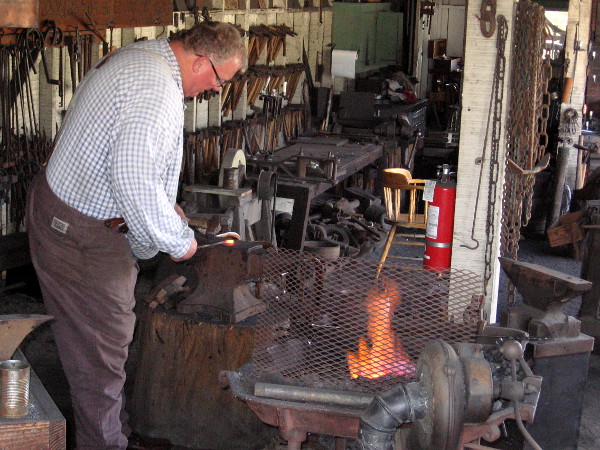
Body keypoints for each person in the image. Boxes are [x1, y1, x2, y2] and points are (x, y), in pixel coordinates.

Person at [26, 21, 247, 449]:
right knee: (99, 350)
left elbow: (124, 159)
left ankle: (115, 434)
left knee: (101, 346)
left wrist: (166, 211)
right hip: (79, 231)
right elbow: (132, 179)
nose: (216, 90)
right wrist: (177, 240)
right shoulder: (156, 87)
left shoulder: (144, 58)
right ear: (201, 61)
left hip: (75, 212)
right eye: (220, 79)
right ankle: (106, 443)